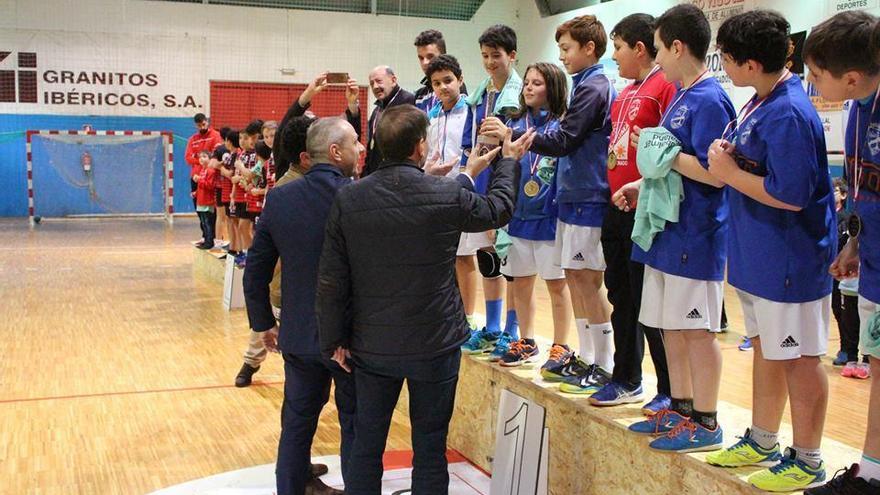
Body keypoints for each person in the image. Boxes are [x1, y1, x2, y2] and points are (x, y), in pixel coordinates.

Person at [316, 104, 534, 495]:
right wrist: (508, 161)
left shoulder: (350, 199)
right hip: (434, 346)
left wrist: (333, 341)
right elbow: (498, 209)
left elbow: (332, 279)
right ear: (421, 146)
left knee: (366, 445)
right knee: (430, 447)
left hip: (372, 346)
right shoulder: (446, 192)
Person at [702, 10, 835, 492]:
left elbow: (793, 193)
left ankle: (809, 456)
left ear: (750, 63)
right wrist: (733, 158)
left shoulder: (790, 113)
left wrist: (731, 173)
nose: (726, 68)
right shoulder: (762, 100)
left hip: (789, 260)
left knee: (801, 359)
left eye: (728, 60)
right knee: (766, 350)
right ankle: (762, 439)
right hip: (759, 255)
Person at [625, 4, 735, 454]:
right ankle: (682, 407)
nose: (655, 60)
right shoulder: (682, 96)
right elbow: (672, 164)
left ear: (677, 46)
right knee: (670, 327)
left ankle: (706, 420)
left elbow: (715, 173)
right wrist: (641, 179)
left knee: (695, 330)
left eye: (657, 51)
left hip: (697, 232)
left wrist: (662, 154)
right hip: (668, 232)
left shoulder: (710, 99)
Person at [483, 15, 617, 387]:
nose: (562, 56)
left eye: (566, 49)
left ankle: (599, 361)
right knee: (577, 279)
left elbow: (565, 141)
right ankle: (589, 357)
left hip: (579, 202)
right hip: (564, 204)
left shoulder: (593, 88)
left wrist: (514, 135)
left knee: (583, 282)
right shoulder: (584, 86)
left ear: (589, 48)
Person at [244, 117, 364, 495]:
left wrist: (264, 323)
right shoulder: (358, 196)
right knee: (355, 425)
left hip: (297, 335)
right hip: (349, 339)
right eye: (355, 142)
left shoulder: (279, 197)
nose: (360, 149)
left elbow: (255, 270)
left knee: (296, 424)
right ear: (335, 151)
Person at [802, 10, 880, 494]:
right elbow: (864, 190)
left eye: (815, 77)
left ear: (849, 77)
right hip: (872, 261)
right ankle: (871, 474)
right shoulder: (857, 108)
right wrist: (854, 242)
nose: (811, 84)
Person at [587, 13, 675, 414]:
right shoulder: (624, 93)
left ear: (639, 49)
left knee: (648, 302)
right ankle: (625, 377)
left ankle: (670, 389)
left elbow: (669, 148)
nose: (615, 57)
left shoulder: (664, 87)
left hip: (645, 207)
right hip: (616, 205)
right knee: (620, 295)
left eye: (618, 48)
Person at [496, 62, 575, 372]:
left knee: (556, 285)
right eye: (527, 82)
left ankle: (561, 345)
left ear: (552, 87)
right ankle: (526, 340)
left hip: (548, 218)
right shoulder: (514, 123)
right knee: (520, 284)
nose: (528, 88)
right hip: (517, 215)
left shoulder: (561, 128)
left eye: (537, 83)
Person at [459, 24, 522, 355]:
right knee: (487, 257)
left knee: (510, 260)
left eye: (495, 56)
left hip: (510, 182)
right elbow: (469, 139)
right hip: (482, 181)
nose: (489, 62)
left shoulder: (523, 94)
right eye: (484, 56)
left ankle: (512, 329)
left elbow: (529, 134)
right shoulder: (480, 94)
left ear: (511, 56)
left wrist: (508, 131)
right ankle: (493, 325)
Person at [275, 73, 360, 179]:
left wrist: (308, 94)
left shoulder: (282, 177)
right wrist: (353, 106)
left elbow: (281, 132)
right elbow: (347, 142)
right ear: (306, 158)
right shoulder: (328, 183)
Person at [346, 66, 415, 177]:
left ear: (393, 80)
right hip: (375, 174)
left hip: (396, 176)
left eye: (378, 81)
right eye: (372, 83)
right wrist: (352, 103)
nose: (375, 86)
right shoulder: (377, 109)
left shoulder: (408, 102)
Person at [413, 30, 467, 113]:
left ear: (443, 56)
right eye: (421, 58)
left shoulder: (456, 87)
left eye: (430, 56)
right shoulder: (419, 95)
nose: (425, 62)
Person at [184, 113, 223, 213]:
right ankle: (205, 228)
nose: (202, 127)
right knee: (199, 210)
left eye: (203, 124)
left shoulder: (215, 136)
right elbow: (188, 158)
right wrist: (202, 160)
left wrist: (199, 158)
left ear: (207, 121)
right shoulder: (192, 140)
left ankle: (212, 229)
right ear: (195, 125)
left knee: (211, 210)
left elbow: (217, 155)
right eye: (199, 125)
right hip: (196, 177)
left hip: (210, 177)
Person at [209, 127, 231, 247]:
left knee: (222, 217)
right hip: (229, 187)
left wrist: (220, 166)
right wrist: (223, 167)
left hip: (223, 186)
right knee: (230, 218)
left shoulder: (219, 149)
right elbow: (212, 164)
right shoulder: (235, 150)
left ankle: (219, 242)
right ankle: (231, 243)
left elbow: (212, 164)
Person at [194, 150, 218, 250]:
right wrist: (196, 193)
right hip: (201, 201)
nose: (201, 159)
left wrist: (199, 180)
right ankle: (206, 239)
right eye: (200, 157)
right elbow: (202, 186)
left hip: (208, 202)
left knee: (208, 223)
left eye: (204, 156)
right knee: (203, 222)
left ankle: (210, 241)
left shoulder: (211, 171)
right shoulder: (202, 170)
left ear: (210, 159)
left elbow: (210, 185)